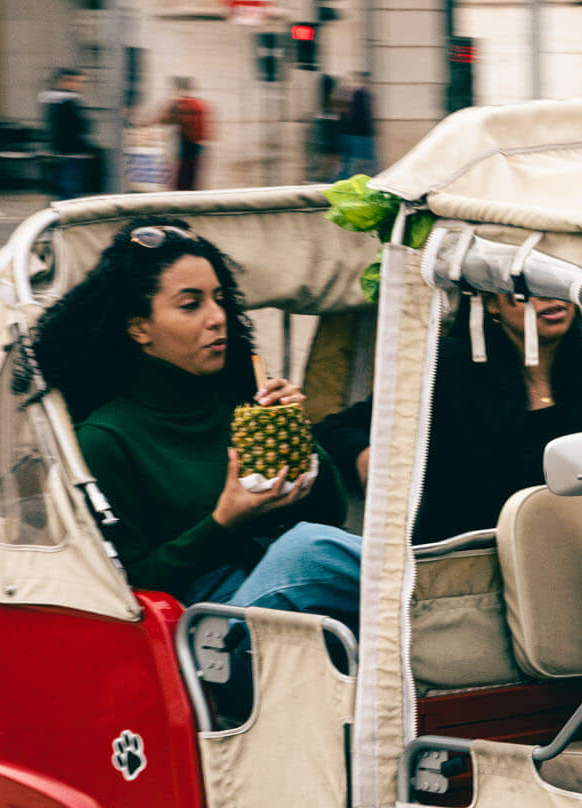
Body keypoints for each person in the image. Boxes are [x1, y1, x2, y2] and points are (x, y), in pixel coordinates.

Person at [31, 218, 361, 619]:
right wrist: (223, 522)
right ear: (139, 328)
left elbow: (331, 513)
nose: (216, 316)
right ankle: (430, 593)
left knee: (323, 545)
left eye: (219, 299)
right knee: (308, 550)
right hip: (200, 634)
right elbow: (126, 588)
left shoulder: (242, 402)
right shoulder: (106, 438)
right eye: (191, 304)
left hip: (289, 604)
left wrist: (297, 436)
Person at [315, 291, 582, 544]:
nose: (549, 294)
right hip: (466, 565)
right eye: (526, 285)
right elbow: (335, 430)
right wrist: (366, 456)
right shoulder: (446, 367)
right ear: (490, 301)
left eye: (557, 282)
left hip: (581, 554)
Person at [41, 69, 95, 199]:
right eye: (77, 81)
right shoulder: (65, 102)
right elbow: (71, 128)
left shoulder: (58, 100)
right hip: (70, 153)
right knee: (69, 188)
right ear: (64, 82)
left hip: (67, 152)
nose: (81, 85)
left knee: (66, 187)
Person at [158, 77, 211, 192]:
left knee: (182, 185)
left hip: (186, 148)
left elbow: (164, 120)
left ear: (179, 89)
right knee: (191, 183)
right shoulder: (200, 104)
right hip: (197, 148)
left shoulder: (182, 105)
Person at [337, 73, 375, 177]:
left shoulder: (358, 94)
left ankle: (340, 180)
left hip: (354, 134)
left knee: (350, 162)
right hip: (359, 135)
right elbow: (360, 116)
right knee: (357, 163)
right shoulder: (361, 94)